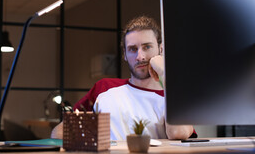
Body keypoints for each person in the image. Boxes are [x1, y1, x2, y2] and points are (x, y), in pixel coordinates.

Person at [51, 16, 196, 140]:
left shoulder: (172, 95)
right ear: (125, 55)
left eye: (147, 47)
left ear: (161, 49)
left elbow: (178, 133)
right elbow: (58, 133)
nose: (140, 56)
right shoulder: (105, 88)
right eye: (133, 49)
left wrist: (164, 73)